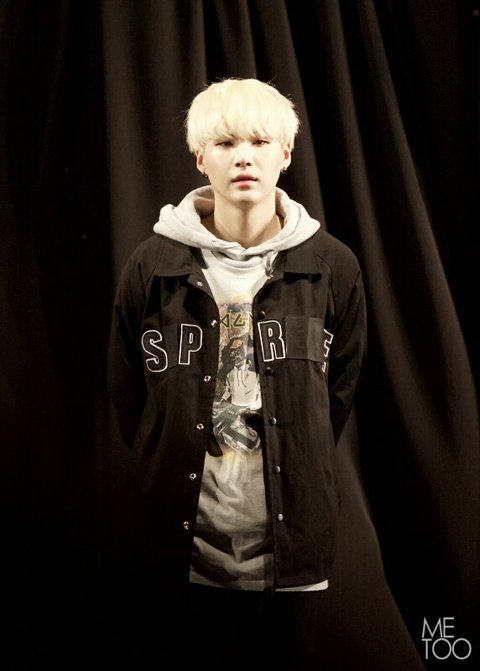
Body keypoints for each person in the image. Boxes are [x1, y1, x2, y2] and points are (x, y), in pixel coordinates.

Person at [108, 77, 367, 670]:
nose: (243, 157)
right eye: (225, 143)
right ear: (201, 158)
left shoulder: (331, 266)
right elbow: (129, 398)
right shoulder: (152, 265)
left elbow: (338, 395)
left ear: (286, 154)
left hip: (290, 558)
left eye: (259, 141)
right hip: (176, 554)